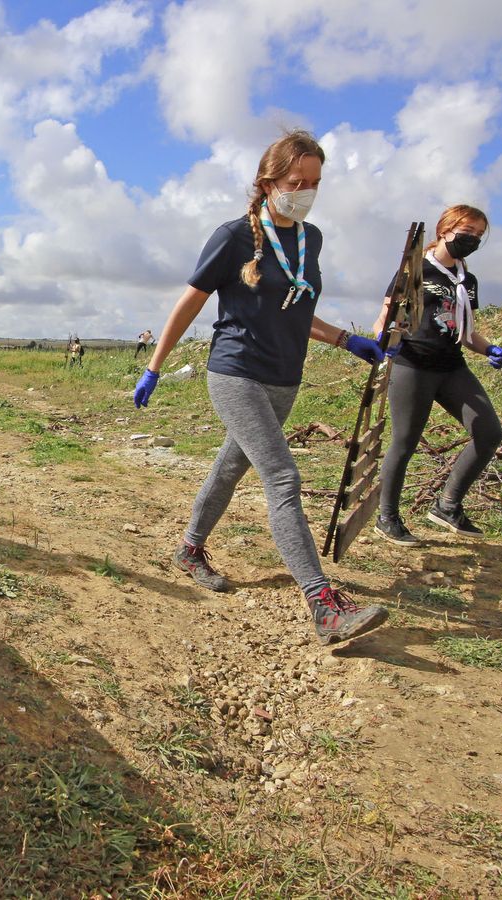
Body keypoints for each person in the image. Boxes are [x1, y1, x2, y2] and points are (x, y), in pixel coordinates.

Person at [133, 129, 389, 646]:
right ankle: (323, 604)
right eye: (297, 181)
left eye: (315, 182)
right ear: (268, 181)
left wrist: (344, 339)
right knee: (282, 478)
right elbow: (191, 301)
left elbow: (296, 302)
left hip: (284, 378)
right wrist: (156, 366)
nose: (306, 191)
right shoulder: (233, 237)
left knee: (231, 465)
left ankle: (189, 548)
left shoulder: (310, 238)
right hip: (236, 373)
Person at [370, 205, 502, 545]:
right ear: (445, 229)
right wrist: (382, 344)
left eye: (478, 235)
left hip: (451, 366)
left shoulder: (467, 280)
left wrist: (489, 348)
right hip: (412, 364)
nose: (472, 238)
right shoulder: (415, 270)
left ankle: (447, 506)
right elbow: (384, 317)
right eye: (467, 230)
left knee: (488, 431)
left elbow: (466, 330)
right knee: (405, 442)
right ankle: (387, 517)